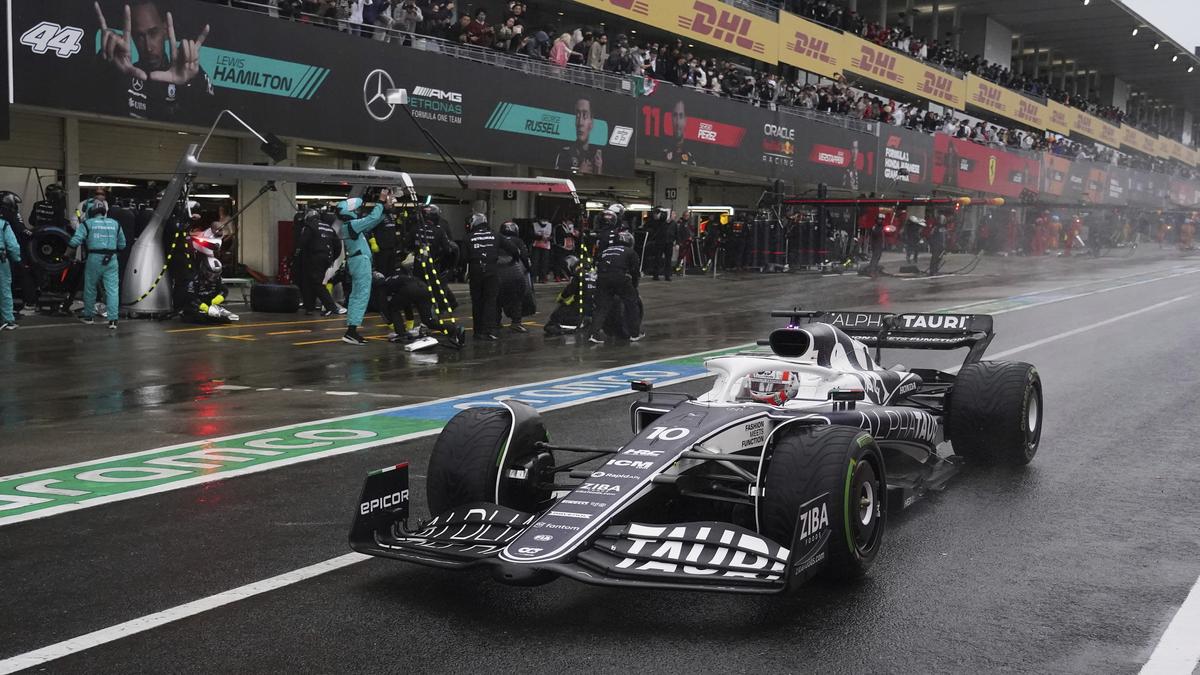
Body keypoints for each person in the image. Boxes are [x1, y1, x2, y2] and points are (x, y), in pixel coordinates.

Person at [94, 1, 214, 119]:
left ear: (165, 31)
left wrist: (190, 82)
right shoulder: (122, 76)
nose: (148, 47)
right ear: (132, 37)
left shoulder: (189, 75)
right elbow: (95, 107)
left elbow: (212, 120)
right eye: (140, 36)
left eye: (153, 33)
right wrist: (108, 61)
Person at [68, 199, 126, 329]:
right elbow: (122, 244)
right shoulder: (115, 223)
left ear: (91, 212)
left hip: (94, 258)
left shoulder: (87, 223)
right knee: (112, 289)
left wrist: (67, 253)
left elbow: (74, 242)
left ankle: (89, 317)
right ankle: (113, 320)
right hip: (112, 259)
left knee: (90, 288)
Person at [337, 197, 385, 345]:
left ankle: (352, 330)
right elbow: (372, 218)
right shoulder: (352, 225)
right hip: (360, 262)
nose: (357, 211)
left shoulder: (350, 226)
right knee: (361, 295)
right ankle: (351, 332)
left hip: (358, 261)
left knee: (357, 295)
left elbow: (373, 221)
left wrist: (384, 210)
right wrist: (380, 202)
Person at [589, 230, 643, 343]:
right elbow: (635, 272)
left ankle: (594, 334)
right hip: (619, 277)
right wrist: (634, 287)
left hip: (602, 278)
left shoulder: (605, 251)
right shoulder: (630, 252)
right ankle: (634, 333)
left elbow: (596, 265)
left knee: (601, 308)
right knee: (632, 304)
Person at [295, 209, 344, 316]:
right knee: (313, 282)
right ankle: (310, 307)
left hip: (314, 258)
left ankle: (331, 307)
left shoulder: (309, 226)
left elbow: (302, 242)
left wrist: (296, 256)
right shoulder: (328, 227)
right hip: (326, 259)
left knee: (315, 283)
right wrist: (332, 259)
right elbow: (338, 245)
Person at [466, 213, 502, 341]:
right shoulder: (495, 235)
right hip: (491, 270)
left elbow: (463, 257)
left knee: (477, 301)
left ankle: (478, 331)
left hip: (475, 271)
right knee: (490, 301)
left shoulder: (468, 237)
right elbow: (513, 249)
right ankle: (489, 330)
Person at [181, 253, 239, 324]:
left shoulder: (218, 279)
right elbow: (190, 297)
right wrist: (202, 306)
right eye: (211, 274)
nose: (213, 277)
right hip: (195, 305)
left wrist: (219, 298)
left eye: (216, 275)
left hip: (211, 304)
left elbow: (224, 290)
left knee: (225, 319)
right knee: (198, 317)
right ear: (204, 270)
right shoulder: (193, 279)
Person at [555, 98, 603, 175]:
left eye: (585, 116)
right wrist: (579, 173)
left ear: (591, 122)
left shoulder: (596, 157)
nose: (580, 123)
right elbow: (557, 179)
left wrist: (598, 170)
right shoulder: (564, 154)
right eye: (577, 116)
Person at [0, 204, 21, 330]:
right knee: (4, 290)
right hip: (1, 260)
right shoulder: (3, 224)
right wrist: (17, 259)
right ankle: (8, 320)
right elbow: (13, 245)